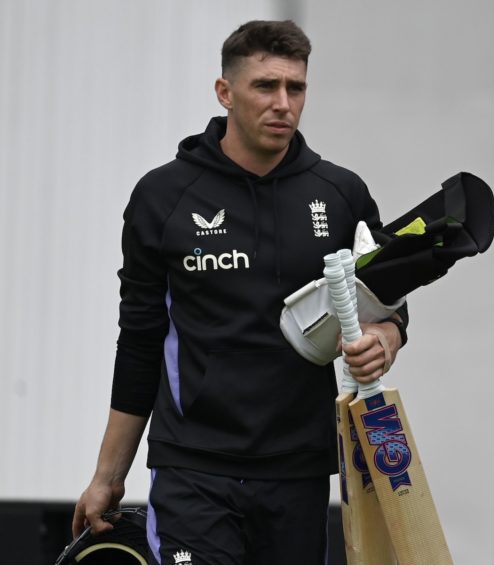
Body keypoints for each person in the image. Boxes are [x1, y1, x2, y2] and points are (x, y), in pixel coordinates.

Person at [72, 20, 407, 564]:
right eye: (265, 86)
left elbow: (390, 305)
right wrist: (108, 476)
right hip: (192, 469)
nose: (283, 104)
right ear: (225, 92)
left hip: (297, 470)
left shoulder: (341, 194)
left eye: (295, 88)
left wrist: (385, 338)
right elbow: (138, 342)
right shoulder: (163, 196)